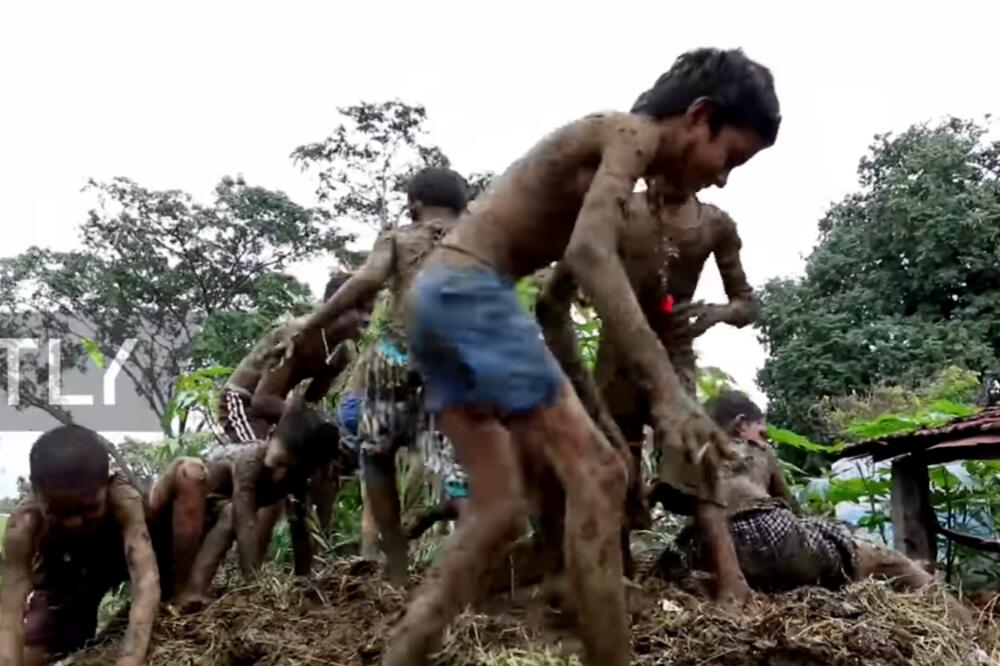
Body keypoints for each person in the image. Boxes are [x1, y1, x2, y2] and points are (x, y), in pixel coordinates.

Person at [327, 47, 777, 666]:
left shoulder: (608, 171)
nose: (722, 178)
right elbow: (593, 258)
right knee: (597, 477)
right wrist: (669, 396)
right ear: (700, 117)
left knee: (502, 513)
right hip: (470, 290)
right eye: (730, 157)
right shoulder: (625, 134)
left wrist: (602, 426)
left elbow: (550, 312)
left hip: (441, 300)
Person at [536, 190, 757, 583]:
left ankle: (732, 580)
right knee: (615, 458)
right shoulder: (618, 209)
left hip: (674, 350)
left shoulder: (714, 224)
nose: (721, 178)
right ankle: (618, 575)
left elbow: (746, 303)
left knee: (695, 454)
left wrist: (717, 313)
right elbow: (574, 269)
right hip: (615, 353)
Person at [300, 167, 473, 585]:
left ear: (412, 205)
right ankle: (469, 559)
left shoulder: (399, 237)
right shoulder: (483, 236)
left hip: (396, 362)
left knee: (376, 457)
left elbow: (367, 280)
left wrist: (313, 323)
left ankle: (395, 562)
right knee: (459, 465)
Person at [671, 390, 933, 591]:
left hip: (709, 545)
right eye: (762, 431)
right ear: (741, 425)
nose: (766, 439)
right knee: (880, 557)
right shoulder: (755, 451)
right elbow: (791, 509)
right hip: (774, 535)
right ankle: (937, 595)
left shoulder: (692, 458)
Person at [0, 426, 159, 666]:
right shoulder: (23, 527)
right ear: (35, 492)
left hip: (117, 562)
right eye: (58, 512)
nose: (74, 522)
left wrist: (131, 659)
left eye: (87, 508)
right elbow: (10, 613)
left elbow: (146, 581)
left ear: (108, 483)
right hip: (65, 583)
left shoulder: (125, 502)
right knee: (31, 652)